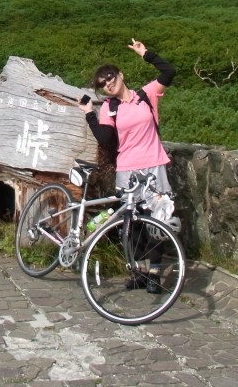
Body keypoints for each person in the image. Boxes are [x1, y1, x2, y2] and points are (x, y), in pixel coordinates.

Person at [79, 37, 176, 294]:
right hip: (127, 171)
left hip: (154, 166)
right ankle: (140, 272)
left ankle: (155, 273)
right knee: (132, 224)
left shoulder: (147, 94)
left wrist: (146, 54)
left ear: (121, 75)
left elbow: (169, 71)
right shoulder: (109, 107)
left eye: (110, 77)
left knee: (157, 222)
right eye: (102, 83)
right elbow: (105, 139)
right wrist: (90, 113)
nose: (108, 83)